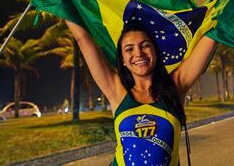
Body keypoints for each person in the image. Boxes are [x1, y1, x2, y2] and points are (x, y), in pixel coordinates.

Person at [65, 20, 217, 166]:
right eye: (129, 49)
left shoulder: (176, 85)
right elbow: (82, 38)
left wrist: (227, 3)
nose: (138, 53)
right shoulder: (116, 89)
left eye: (145, 46)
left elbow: (212, 35)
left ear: (155, 52)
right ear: (123, 59)